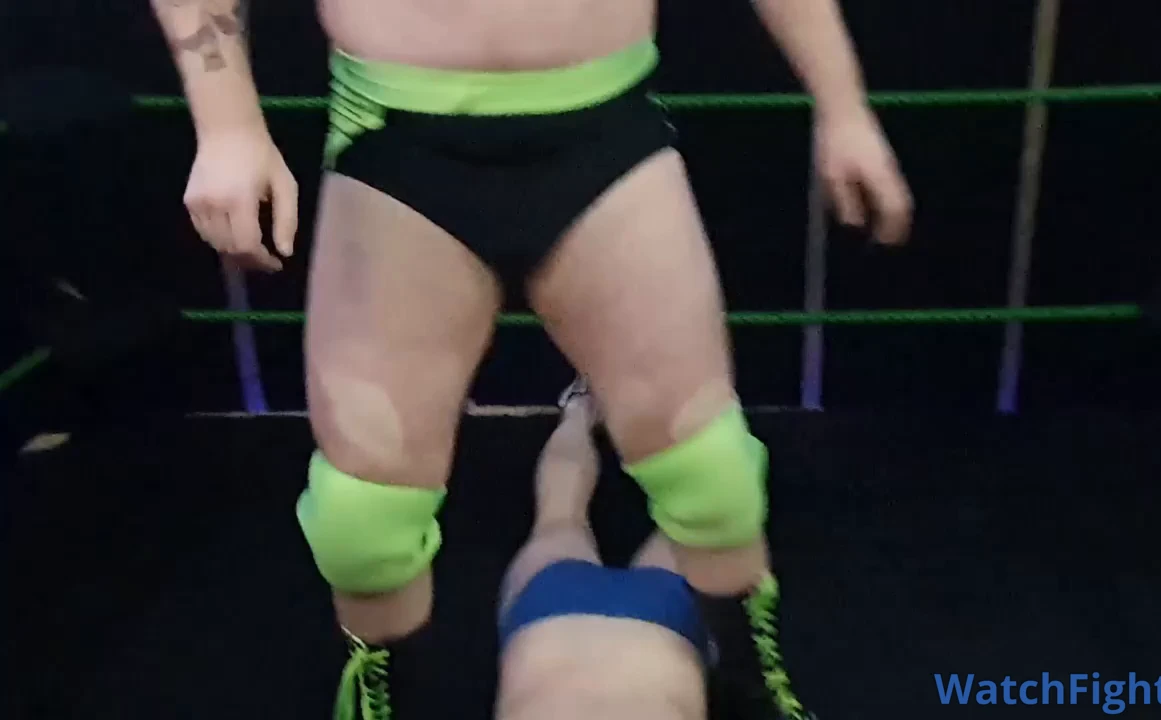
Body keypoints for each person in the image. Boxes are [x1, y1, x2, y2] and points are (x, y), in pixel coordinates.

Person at [148, 0, 912, 718]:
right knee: (362, 524)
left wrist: (843, 105)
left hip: (603, 126)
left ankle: (753, 689)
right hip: (396, 137)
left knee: (714, 478)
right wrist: (227, 125)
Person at [498, 381, 716, 720]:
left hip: (657, 627)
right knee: (559, 519)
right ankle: (581, 410)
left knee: (687, 526)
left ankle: (688, 408)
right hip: (556, 618)